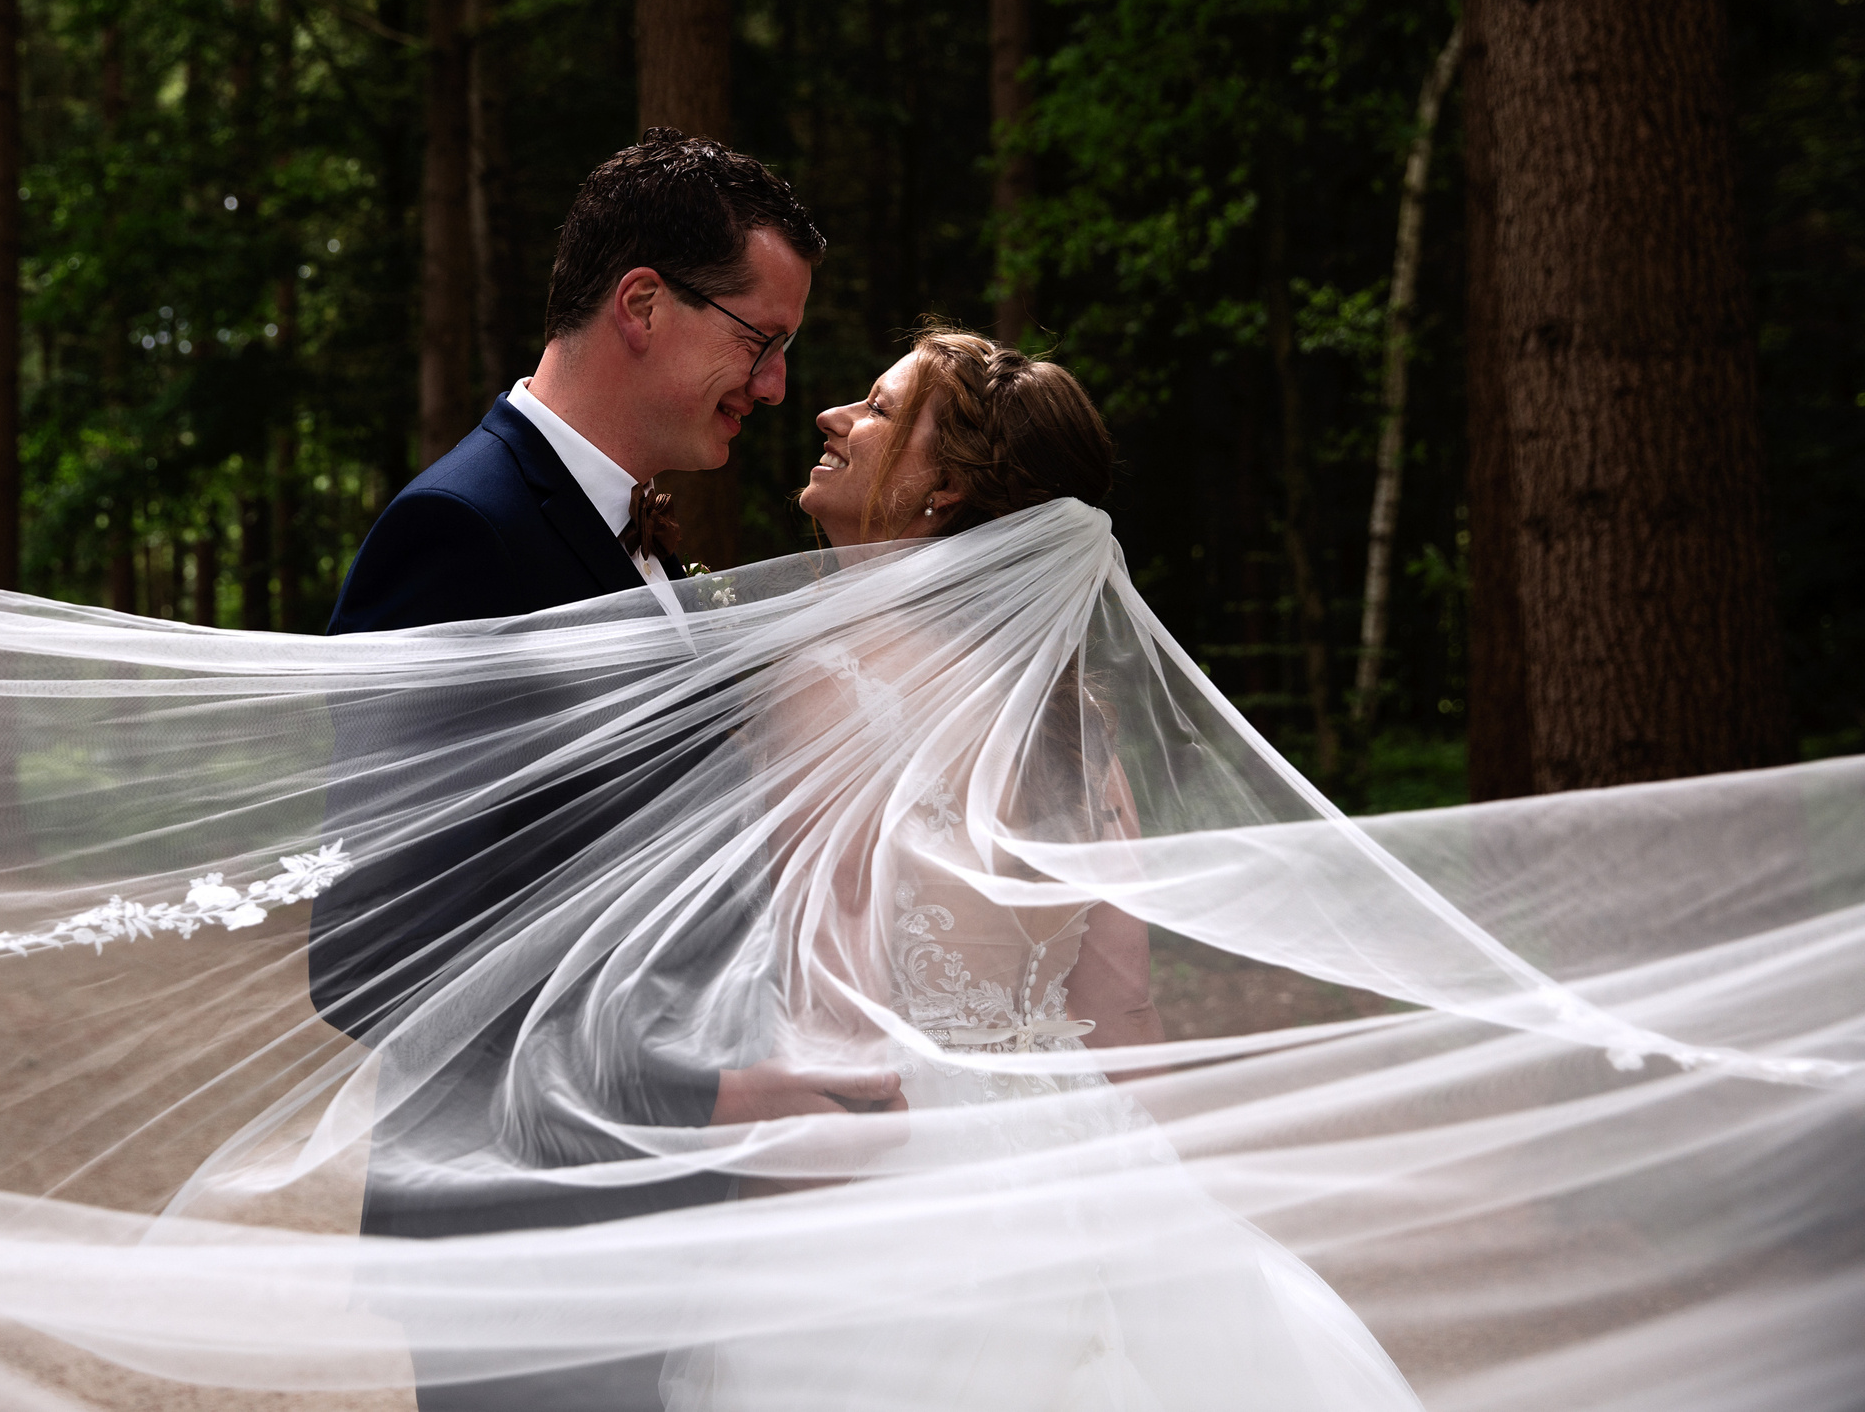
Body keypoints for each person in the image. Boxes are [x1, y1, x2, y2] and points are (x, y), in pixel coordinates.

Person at [658, 325, 1421, 1411]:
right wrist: (1160, 1219)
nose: (832, 416)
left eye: (877, 410)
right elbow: (1124, 1013)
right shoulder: (1075, 720)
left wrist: (748, 1218)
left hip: (909, 1186)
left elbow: (833, 1010)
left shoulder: (830, 682)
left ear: (946, 492)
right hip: (1084, 1156)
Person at [309, 128, 901, 1412]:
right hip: (524, 1251)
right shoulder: (460, 536)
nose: (780, 383)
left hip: (649, 1237)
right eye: (760, 339)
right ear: (643, 302)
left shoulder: (625, 533)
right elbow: (370, 955)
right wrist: (706, 1096)